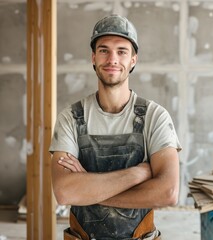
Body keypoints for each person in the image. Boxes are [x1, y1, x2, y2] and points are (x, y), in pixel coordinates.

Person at [50, 14, 182, 240]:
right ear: (93, 57)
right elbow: (64, 192)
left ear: (133, 60)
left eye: (121, 51)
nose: (112, 59)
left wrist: (90, 191)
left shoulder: (154, 117)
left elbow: (168, 192)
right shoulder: (70, 118)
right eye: (104, 50)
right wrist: (138, 173)